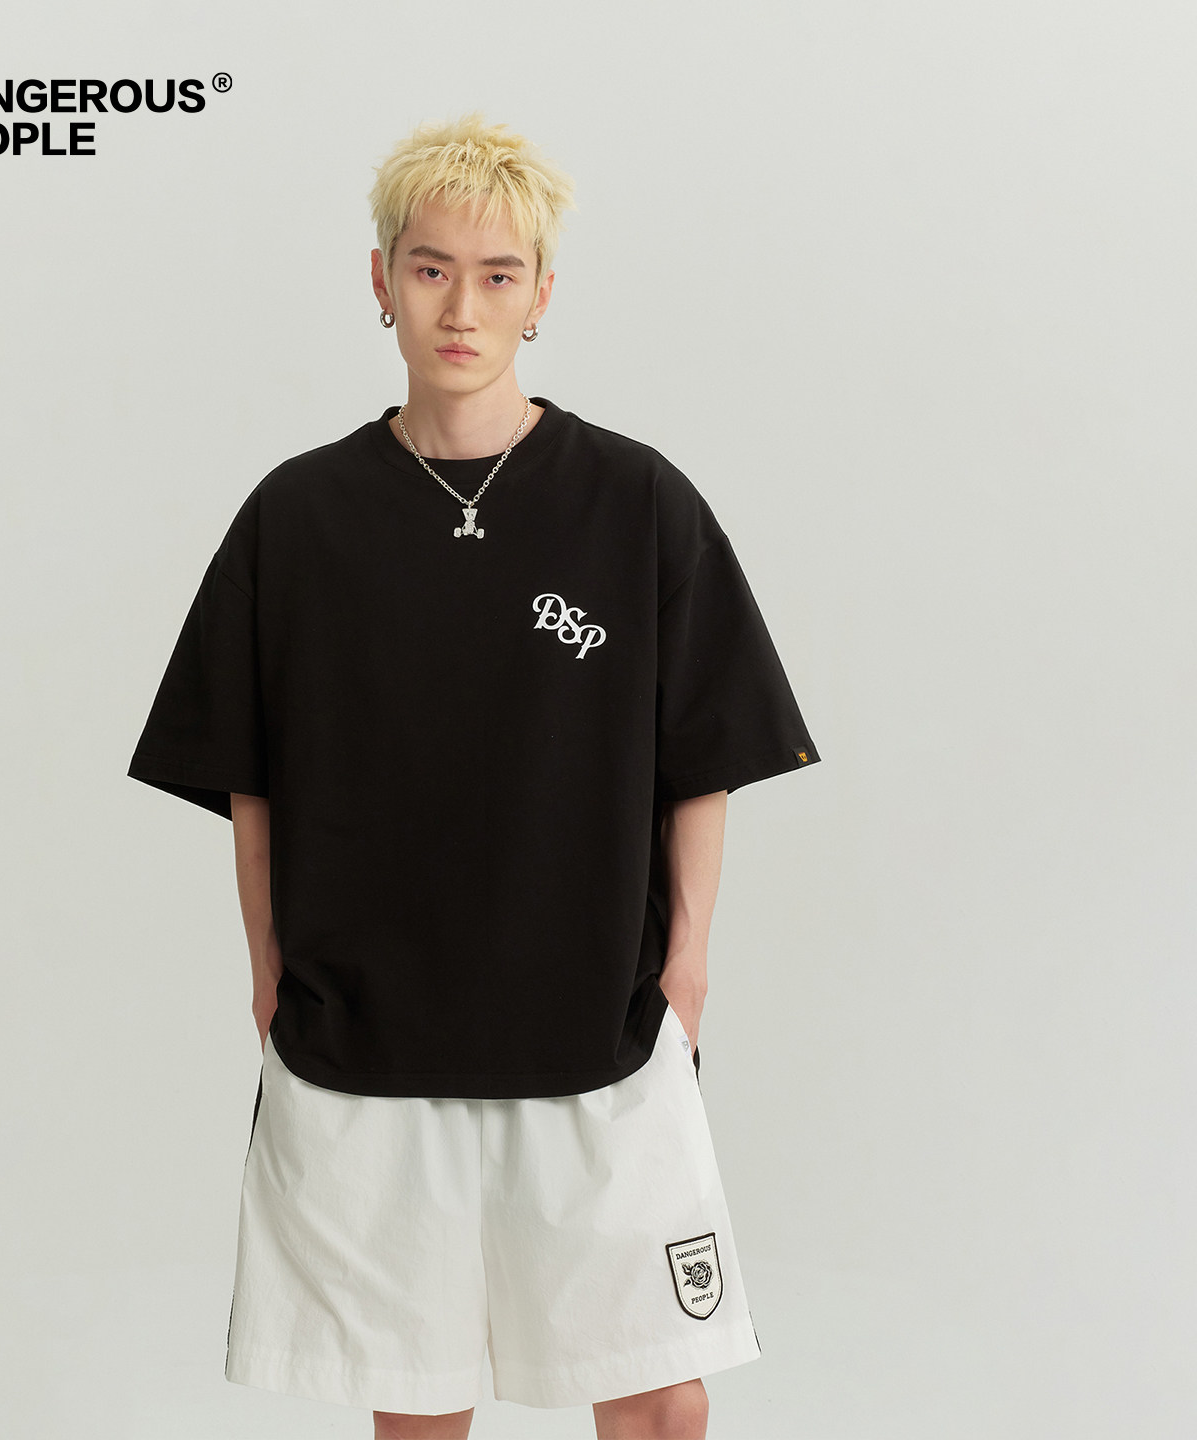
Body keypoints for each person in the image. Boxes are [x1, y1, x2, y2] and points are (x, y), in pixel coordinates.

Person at [127, 111, 821, 1440]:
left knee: (658, 1397)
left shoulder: (635, 503)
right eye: (432, 268)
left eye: (498, 275)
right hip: (369, 1038)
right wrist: (267, 965)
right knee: (419, 1406)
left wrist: (687, 965)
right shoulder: (299, 518)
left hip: (597, 1029)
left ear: (543, 294)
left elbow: (705, 755)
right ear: (381, 280)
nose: (461, 307)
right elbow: (248, 775)